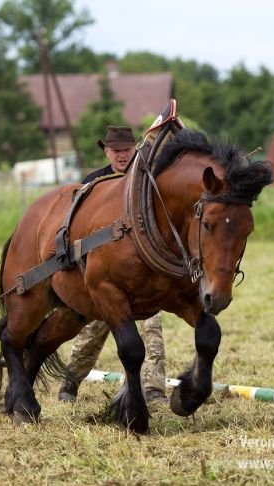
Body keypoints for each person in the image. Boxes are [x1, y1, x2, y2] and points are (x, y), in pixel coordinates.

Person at [58, 126, 167, 403]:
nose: (122, 155)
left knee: (152, 332)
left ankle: (153, 390)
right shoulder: (93, 183)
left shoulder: (147, 180)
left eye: (127, 150)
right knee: (91, 333)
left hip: (145, 275)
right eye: (116, 151)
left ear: (135, 150)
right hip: (104, 276)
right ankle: (69, 386)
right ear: (106, 151)